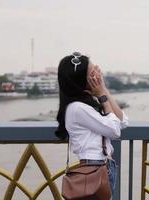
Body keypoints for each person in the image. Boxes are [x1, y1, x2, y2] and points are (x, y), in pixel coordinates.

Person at [55, 52, 128, 195]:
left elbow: (122, 121)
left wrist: (103, 89)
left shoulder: (86, 105)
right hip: (93, 169)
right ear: (81, 81)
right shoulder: (77, 108)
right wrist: (102, 96)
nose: (97, 75)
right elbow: (115, 130)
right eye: (93, 73)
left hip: (101, 167)